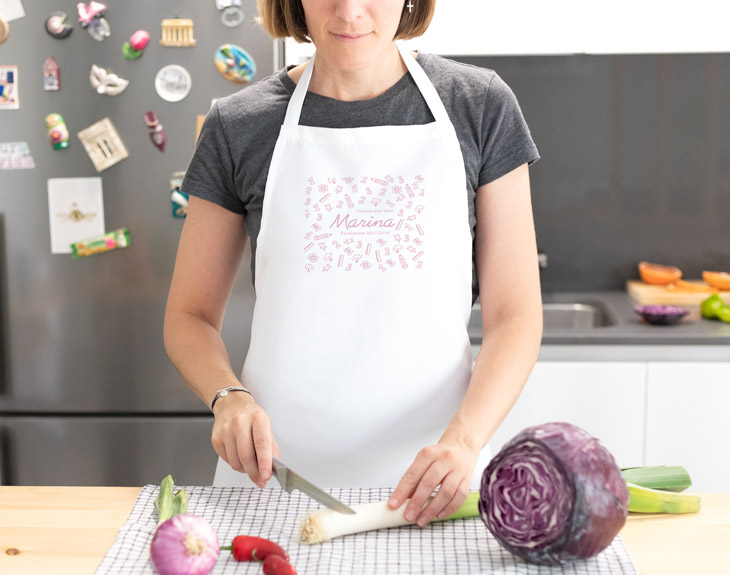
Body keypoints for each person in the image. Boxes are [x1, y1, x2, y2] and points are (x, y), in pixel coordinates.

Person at [164, 0, 542, 528]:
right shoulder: (238, 125)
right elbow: (189, 316)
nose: (349, 12)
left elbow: (515, 316)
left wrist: (464, 441)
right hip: (273, 481)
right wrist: (228, 399)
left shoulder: (478, 105)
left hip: (438, 482)